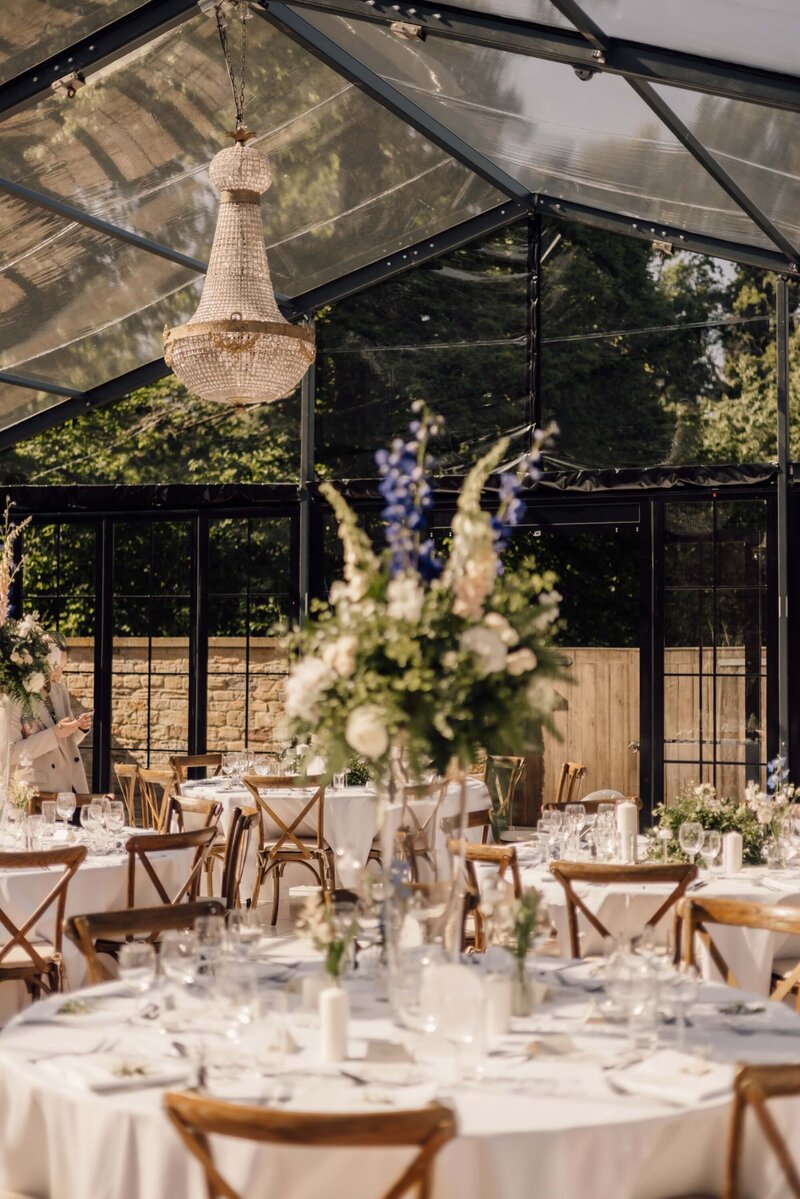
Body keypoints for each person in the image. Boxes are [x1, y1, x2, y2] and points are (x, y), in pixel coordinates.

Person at [8, 634, 92, 794]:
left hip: (71, 786)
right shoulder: (15, 695)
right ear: (39, 663)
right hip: (38, 793)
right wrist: (54, 733)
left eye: (63, 667)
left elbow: (64, 743)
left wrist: (79, 728)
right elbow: (9, 753)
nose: (60, 673)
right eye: (56, 667)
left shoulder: (59, 691)